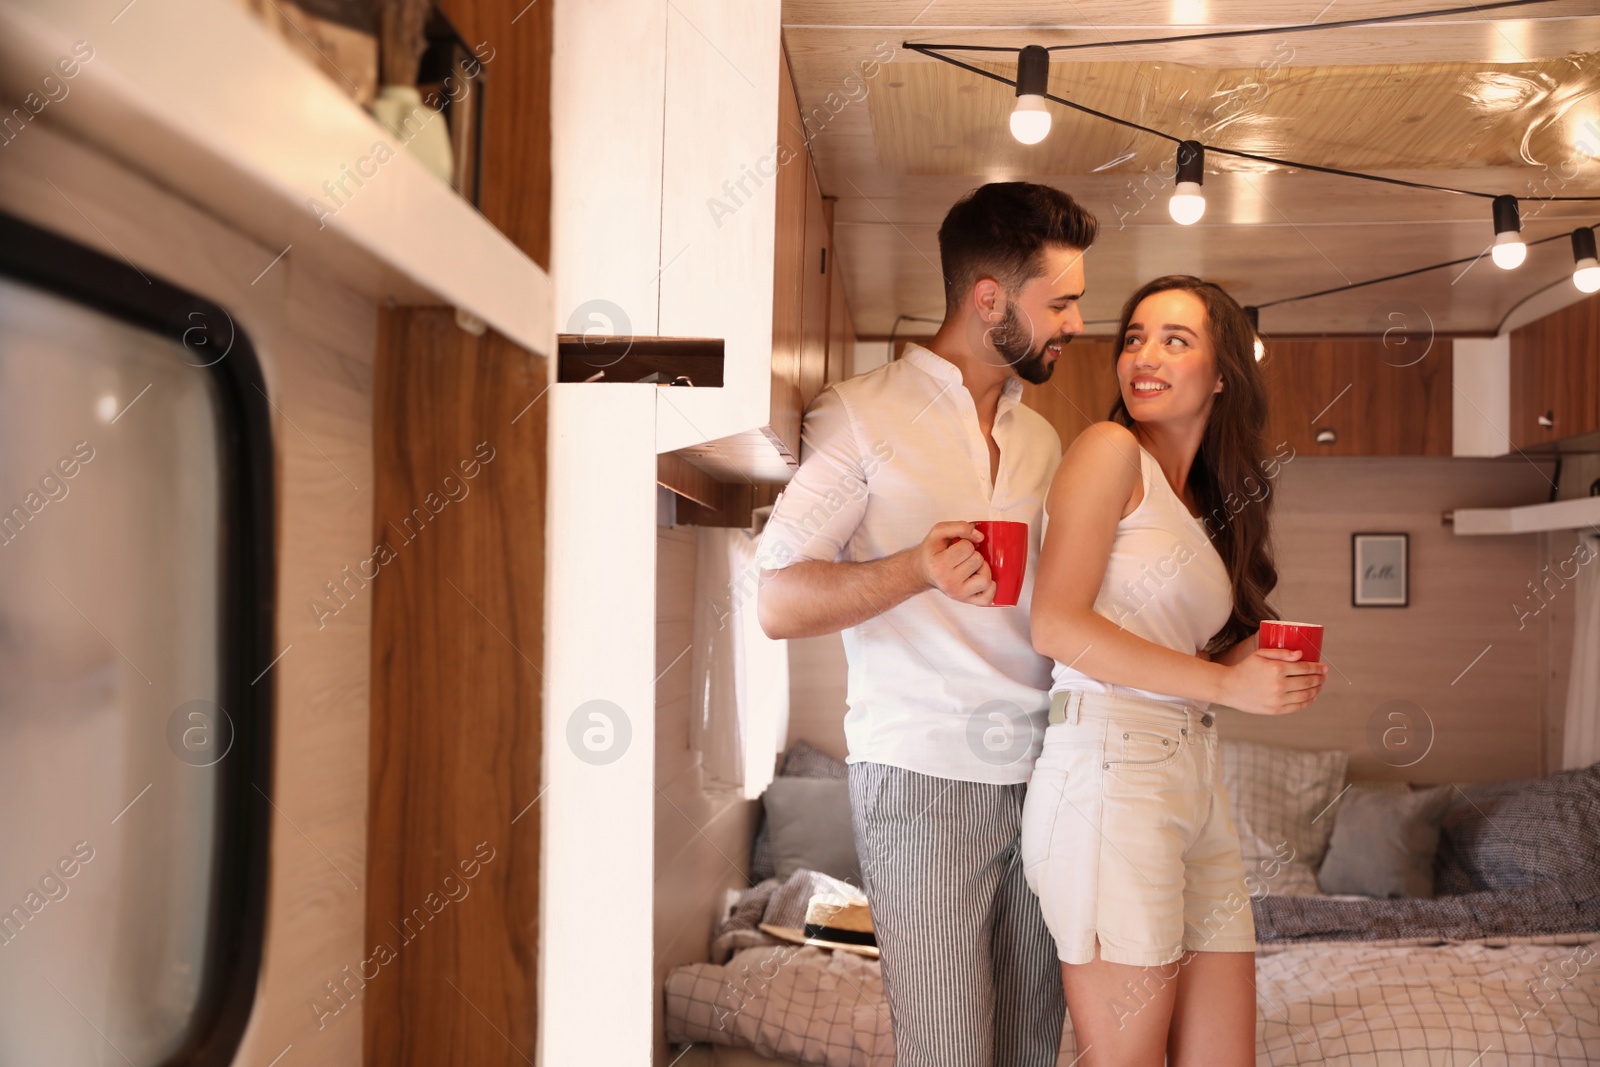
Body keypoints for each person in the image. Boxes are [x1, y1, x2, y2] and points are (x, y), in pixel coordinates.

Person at [754, 181, 1097, 1067]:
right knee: (947, 1050)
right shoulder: (861, 411)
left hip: (1041, 775)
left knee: (1031, 1046)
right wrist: (915, 567)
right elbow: (776, 599)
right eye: (1061, 302)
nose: (1076, 324)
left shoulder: (1041, 440)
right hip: (919, 777)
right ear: (991, 300)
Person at [1021, 274, 1329, 1067]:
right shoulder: (1108, 449)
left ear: (1223, 373)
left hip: (1193, 778)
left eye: (1174, 339)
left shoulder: (1206, 500)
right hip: (1110, 776)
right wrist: (1226, 684)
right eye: (1133, 338)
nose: (1144, 356)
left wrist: (1250, 664)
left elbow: (1171, 655)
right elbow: (1056, 622)